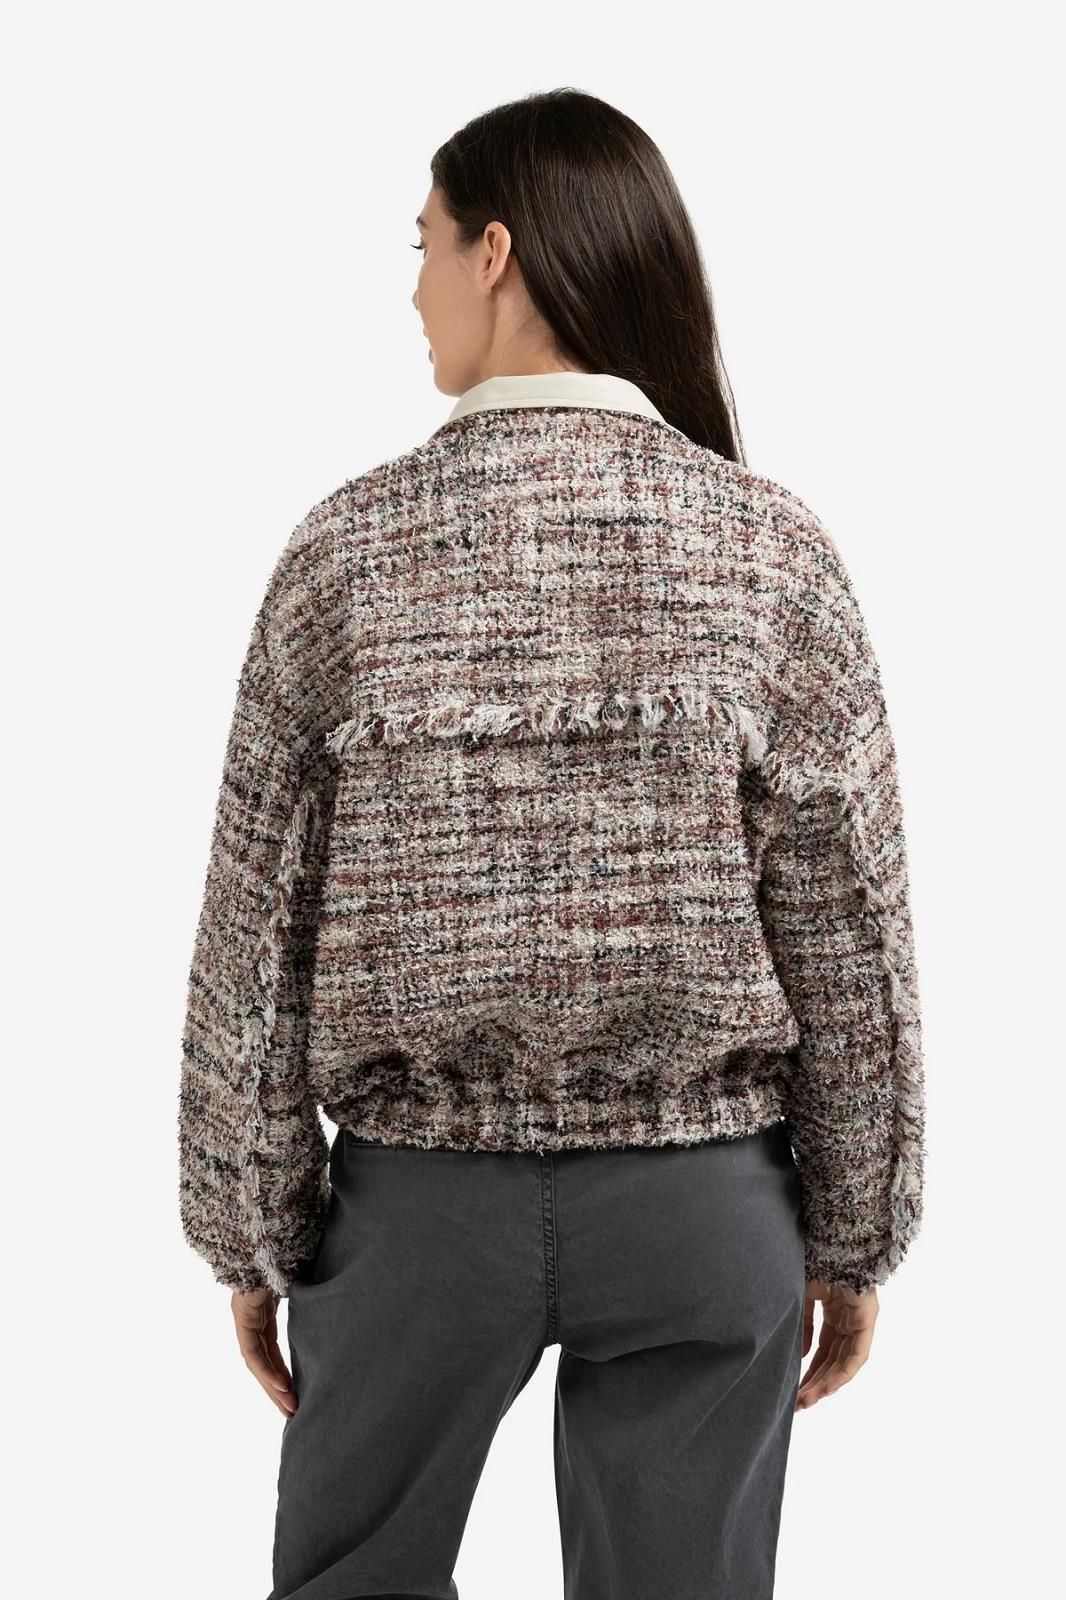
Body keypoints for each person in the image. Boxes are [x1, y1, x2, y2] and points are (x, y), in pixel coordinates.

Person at [178, 87, 926, 1600]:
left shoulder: (345, 553)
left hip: (413, 1218)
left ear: (496, 253)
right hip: (703, 1208)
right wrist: (857, 1230)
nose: (414, 287)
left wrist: (252, 1230)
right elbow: (847, 930)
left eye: (423, 244)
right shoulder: (767, 548)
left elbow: (257, 939)